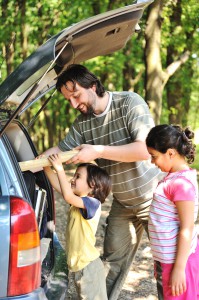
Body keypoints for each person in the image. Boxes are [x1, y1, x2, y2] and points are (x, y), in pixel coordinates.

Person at [42, 64, 162, 299]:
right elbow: (59, 151)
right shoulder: (82, 124)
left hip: (154, 198)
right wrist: (36, 160)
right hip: (123, 202)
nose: (74, 104)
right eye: (69, 100)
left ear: (93, 85)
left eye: (76, 95)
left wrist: (97, 151)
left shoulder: (129, 103)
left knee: (165, 264)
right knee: (111, 261)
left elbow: (144, 150)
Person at [43, 155, 111, 300]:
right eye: (74, 175)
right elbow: (61, 187)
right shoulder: (78, 203)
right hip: (81, 267)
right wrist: (45, 167)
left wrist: (60, 169)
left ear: (92, 184)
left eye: (78, 176)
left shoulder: (93, 203)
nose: (73, 179)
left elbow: (67, 195)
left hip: (89, 267)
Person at [146, 124, 199, 300]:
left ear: (170, 153)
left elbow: (187, 228)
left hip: (177, 264)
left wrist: (178, 269)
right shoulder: (175, 179)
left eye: (154, 157)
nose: (152, 162)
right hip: (168, 261)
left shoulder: (180, 184)